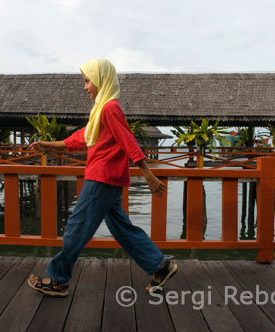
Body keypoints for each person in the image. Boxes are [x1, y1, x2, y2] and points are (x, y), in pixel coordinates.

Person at [28, 58, 177, 297]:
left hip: (102, 179)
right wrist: (49, 145)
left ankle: (57, 280)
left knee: (76, 230)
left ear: (101, 80)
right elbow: (82, 137)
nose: (85, 86)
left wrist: (147, 173)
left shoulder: (109, 108)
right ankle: (160, 266)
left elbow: (128, 140)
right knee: (123, 230)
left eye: (87, 81)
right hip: (108, 180)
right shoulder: (102, 110)